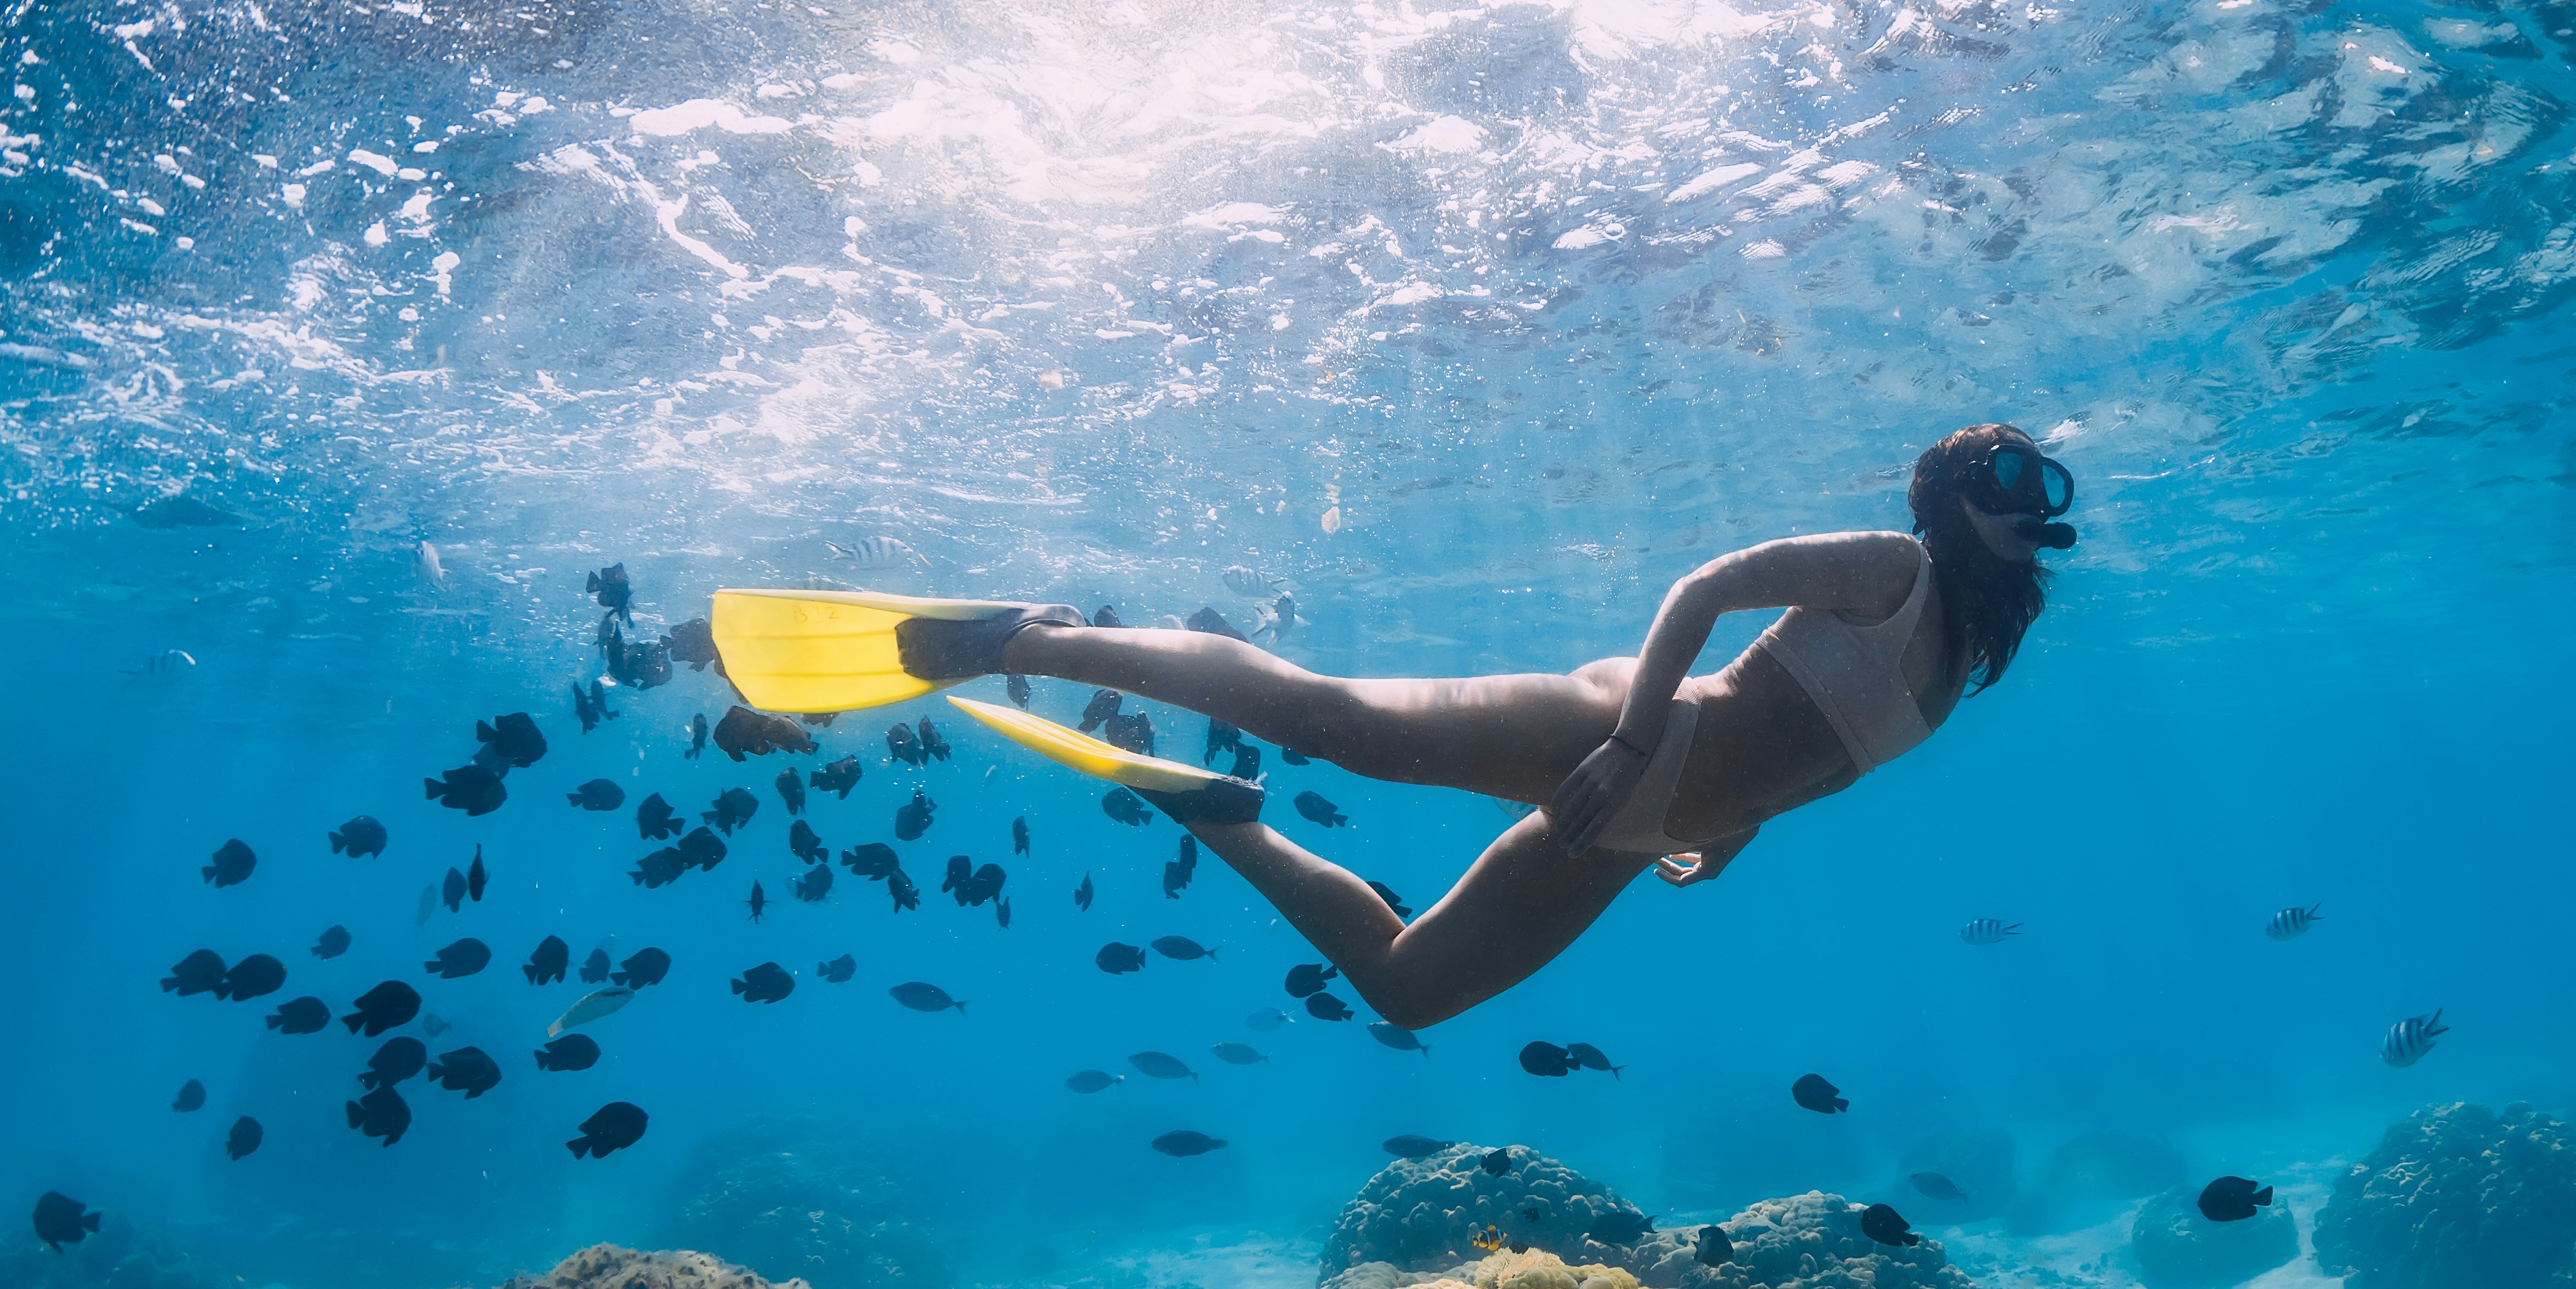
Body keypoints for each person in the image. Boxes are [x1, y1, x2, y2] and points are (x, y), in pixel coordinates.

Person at [717, 422, 2071, 1025]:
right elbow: (1707, 591)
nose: (2032, 494)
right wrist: (1627, 739)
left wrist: (1737, 833)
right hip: (1625, 738)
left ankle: (1215, 814)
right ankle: (1029, 636)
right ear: (1947, 499)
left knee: (1410, 992)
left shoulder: (1963, 662)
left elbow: (1814, 748)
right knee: (1336, 720)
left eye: (2040, 479)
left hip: (1640, 823)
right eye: (2006, 474)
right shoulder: (1892, 572)